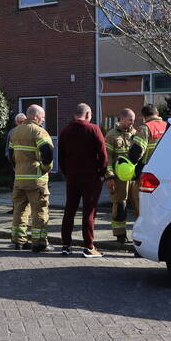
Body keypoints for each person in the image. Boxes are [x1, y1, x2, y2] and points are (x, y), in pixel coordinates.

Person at [58, 103, 107, 257]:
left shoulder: (65, 131)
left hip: (72, 177)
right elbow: (103, 154)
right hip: (91, 177)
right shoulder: (93, 129)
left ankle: (66, 245)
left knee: (69, 210)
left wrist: (67, 173)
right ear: (88, 114)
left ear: (74, 114)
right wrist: (102, 172)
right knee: (89, 212)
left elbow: (61, 157)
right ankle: (88, 247)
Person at [8, 104, 53, 253]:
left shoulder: (15, 132)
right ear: (35, 116)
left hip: (19, 179)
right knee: (39, 211)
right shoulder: (39, 132)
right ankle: (39, 243)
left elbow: (10, 155)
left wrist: (18, 168)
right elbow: (47, 152)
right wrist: (45, 168)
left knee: (19, 211)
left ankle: (18, 241)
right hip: (36, 180)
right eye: (43, 117)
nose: (43, 120)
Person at [104, 109, 147, 244]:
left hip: (134, 177)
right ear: (121, 119)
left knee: (139, 205)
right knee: (120, 204)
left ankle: (140, 235)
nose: (132, 122)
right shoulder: (111, 135)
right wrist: (110, 177)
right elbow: (107, 158)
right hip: (119, 178)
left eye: (133, 120)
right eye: (130, 120)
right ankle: (120, 235)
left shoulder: (136, 134)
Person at [4, 113, 27, 214]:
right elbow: (8, 149)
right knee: (18, 187)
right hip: (19, 164)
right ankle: (17, 208)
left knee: (18, 187)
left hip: (19, 164)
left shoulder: (14, 132)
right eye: (20, 122)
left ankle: (19, 208)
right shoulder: (14, 132)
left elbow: (8, 151)